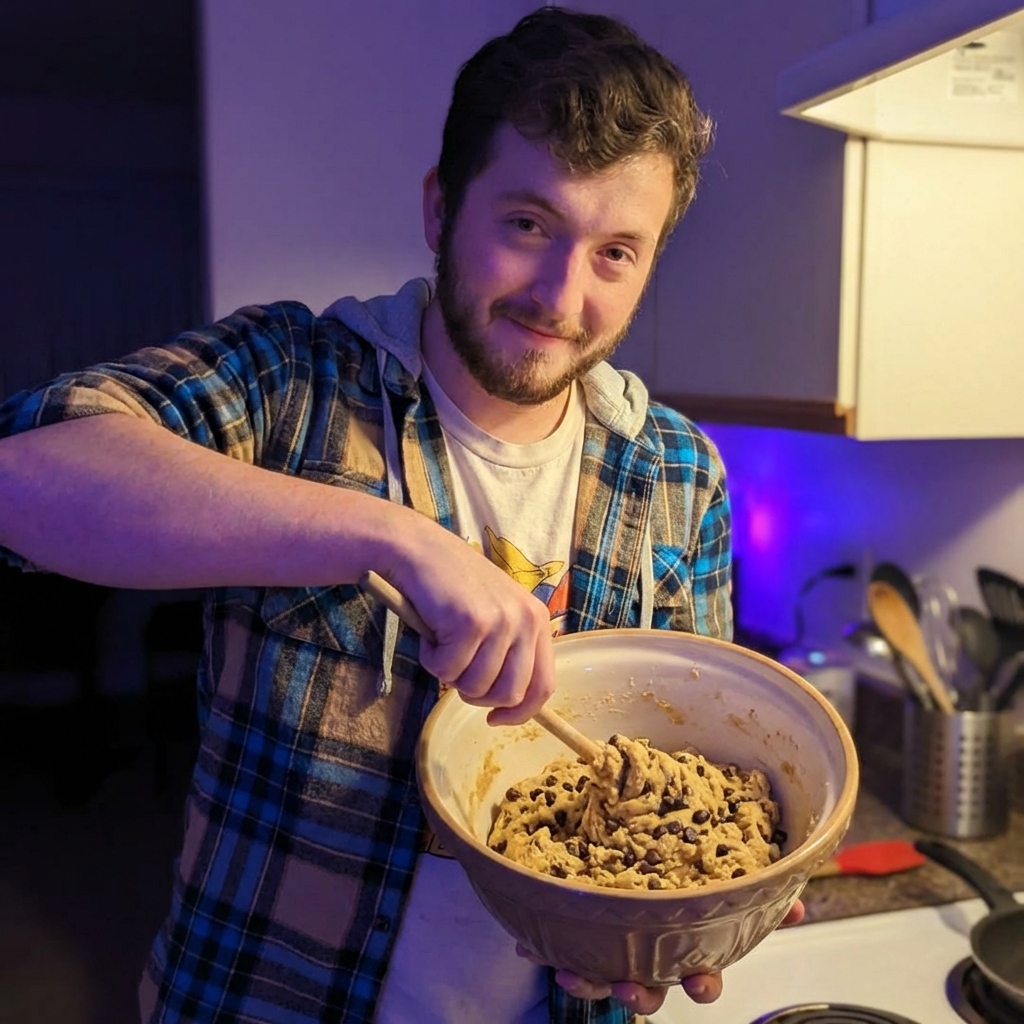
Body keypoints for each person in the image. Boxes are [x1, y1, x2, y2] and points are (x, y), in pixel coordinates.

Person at [0, 8, 802, 1023]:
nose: (561, 293)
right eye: (527, 225)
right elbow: (26, 478)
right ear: (440, 211)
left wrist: (665, 935)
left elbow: (686, 772)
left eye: (614, 254)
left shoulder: (680, 473)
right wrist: (385, 533)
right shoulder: (294, 380)